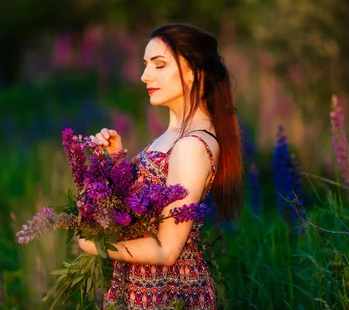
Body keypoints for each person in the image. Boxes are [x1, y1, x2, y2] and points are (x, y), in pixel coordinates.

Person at [79, 23, 243, 309]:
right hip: (141, 287)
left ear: (194, 72)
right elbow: (142, 215)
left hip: (168, 293)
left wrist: (96, 245)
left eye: (159, 65)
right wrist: (115, 163)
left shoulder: (192, 145)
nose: (144, 76)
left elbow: (166, 249)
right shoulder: (171, 137)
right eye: (145, 65)